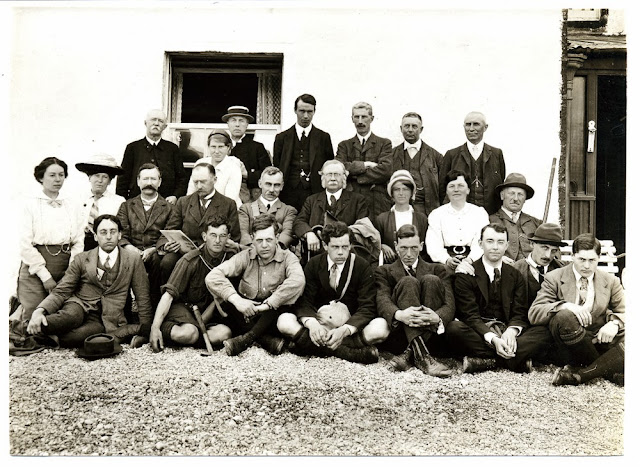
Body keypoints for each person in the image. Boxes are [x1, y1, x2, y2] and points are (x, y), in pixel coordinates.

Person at [26, 215, 152, 348]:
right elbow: (62, 290)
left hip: (105, 317)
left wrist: (144, 330)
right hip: (79, 304)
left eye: (113, 231)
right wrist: (40, 310)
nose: (108, 236)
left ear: (120, 235)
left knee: (75, 338)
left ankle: (46, 336)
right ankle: (21, 327)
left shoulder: (132, 259)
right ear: (96, 236)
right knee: (68, 317)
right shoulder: (82, 258)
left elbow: (142, 296)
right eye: (103, 232)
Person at [445, 223, 552, 374]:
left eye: (500, 242)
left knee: (543, 332)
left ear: (507, 245)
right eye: (490, 241)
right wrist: (494, 339)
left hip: (506, 330)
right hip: (479, 331)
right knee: (454, 329)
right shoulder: (467, 274)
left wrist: (512, 331)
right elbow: (470, 315)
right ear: (480, 244)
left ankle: (488, 361)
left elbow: (519, 312)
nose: (495, 247)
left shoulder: (515, 274)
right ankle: (515, 359)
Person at [277, 222, 387, 364]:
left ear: (350, 246)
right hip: (320, 325)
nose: (341, 252)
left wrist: (345, 330)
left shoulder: (362, 266)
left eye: (345, 247)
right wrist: (313, 325)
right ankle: (348, 352)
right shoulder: (314, 264)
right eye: (335, 247)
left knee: (381, 327)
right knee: (284, 321)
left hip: (349, 327)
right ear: (325, 246)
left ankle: (307, 346)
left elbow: (367, 306)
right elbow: (304, 300)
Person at [529, 234, 624, 386]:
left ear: (598, 258)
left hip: (599, 339)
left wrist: (614, 324)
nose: (586, 266)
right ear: (572, 256)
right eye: (581, 259)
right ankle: (609, 367)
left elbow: (626, 311)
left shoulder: (611, 281)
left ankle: (581, 375)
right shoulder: (554, 277)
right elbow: (534, 313)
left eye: (592, 260)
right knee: (564, 317)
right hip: (568, 342)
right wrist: (564, 305)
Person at [205, 214, 305, 356]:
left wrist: (267, 305)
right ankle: (265, 340)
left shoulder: (288, 258)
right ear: (252, 239)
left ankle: (247, 339)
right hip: (246, 314)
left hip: (271, 314)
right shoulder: (245, 256)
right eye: (259, 240)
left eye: (269, 240)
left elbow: (298, 280)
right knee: (228, 301)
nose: (264, 245)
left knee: (279, 302)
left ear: (277, 238)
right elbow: (213, 276)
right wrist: (238, 301)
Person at [375, 224, 455, 377]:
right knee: (408, 282)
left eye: (414, 248)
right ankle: (424, 357)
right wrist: (400, 315)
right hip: (400, 334)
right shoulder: (384, 271)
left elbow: (450, 304)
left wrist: (437, 317)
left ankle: (411, 354)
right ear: (396, 246)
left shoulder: (438, 269)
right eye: (404, 248)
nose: (409, 254)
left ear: (421, 246)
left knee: (431, 280)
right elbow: (382, 300)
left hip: (432, 332)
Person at [149, 217, 239, 352]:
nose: (217, 241)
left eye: (222, 236)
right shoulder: (190, 260)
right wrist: (155, 328)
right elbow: (168, 295)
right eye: (213, 235)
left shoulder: (232, 259)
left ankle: (191, 338)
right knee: (187, 332)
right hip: (183, 310)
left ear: (229, 238)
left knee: (224, 333)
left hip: (208, 314)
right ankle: (153, 334)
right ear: (204, 236)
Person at [18, 157, 84, 320]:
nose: (57, 180)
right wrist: (45, 276)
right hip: (35, 268)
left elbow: (78, 240)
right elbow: (25, 244)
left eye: (61, 175)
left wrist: (71, 271)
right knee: (33, 318)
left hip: (65, 267)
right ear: (41, 177)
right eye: (52, 175)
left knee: (62, 316)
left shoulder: (71, 204)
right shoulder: (30, 204)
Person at [158, 163, 240, 283]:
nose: (199, 186)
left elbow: (234, 236)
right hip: (184, 252)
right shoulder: (183, 202)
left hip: (214, 253)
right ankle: (170, 298)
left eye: (203, 182)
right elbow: (169, 230)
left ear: (215, 180)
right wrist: (167, 245)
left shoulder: (228, 204)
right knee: (167, 263)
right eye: (195, 182)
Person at [117, 163, 174, 307]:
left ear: (159, 182)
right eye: (145, 179)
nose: (149, 183)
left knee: (158, 260)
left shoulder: (169, 208)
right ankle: (125, 308)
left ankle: (153, 305)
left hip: (156, 253)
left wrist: (154, 248)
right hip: (130, 251)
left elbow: (168, 233)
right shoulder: (127, 206)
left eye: (153, 179)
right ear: (138, 181)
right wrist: (130, 248)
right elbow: (121, 232)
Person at [293, 159, 369, 256]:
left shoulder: (358, 200)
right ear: (323, 178)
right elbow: (299, 222)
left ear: (344, 178)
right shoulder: (312, 200)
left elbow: (363, 228)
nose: (333, 178)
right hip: (316, 256)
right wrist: (309, 233)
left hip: (346, 254)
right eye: (329, 174)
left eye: (337, 174)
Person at [273, 94, 334, 212]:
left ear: (314, 111)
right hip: (287, 192)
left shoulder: (323, 137)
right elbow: (277, 165)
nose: (306, 116)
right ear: (295, 110)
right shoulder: (282, 138)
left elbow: (329, 164)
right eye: (302, 111)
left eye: (309, 111)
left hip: (314, 191)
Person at [440, 111, 506, 215]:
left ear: (485, 127)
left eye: (476, 124)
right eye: (468, 124)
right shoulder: (452, 155)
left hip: (491, 214)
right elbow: (442, 187)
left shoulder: (496, 154)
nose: (471, 129)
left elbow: (500, 184)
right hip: (460, 214)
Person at [116, 109, 187, 203]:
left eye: (160, 121)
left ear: (165, 127)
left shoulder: (172, 149)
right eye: (153, 120)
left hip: (166, 204)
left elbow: (181, 178)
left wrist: (175, 196)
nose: (156, 123)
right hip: (137, 203)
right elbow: (123, 179)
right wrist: (124, 202)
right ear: (145, 123)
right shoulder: (133, 148)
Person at [335, 102, 393, 217]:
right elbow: (339, 168)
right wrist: (365, 164)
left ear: (371, 119)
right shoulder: (344, 145)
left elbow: (386, 170)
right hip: (350, 200)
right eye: (356, 117)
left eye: (364, 117)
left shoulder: (384, 143)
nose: (360, 121)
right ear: (352, 119)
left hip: (377, 201)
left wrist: (355, 175)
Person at [426, 170, 489, 273]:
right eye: (451, 186)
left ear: (468, 190)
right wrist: (446, 259)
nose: (456, 190)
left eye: (460, 186)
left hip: (474, 262)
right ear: (446, 190)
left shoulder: (479, 213)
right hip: (445, 264)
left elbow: (482, 241)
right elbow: (433, 243)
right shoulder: (437, 214)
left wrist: (470, 259)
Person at [390, 112, 443, 217]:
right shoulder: (391, 155)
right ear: (401, 129)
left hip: (427, 209)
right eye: (406, 126)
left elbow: (443, 186)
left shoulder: (435, 156)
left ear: (421, 129)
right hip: (399, 209)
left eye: (414, 126)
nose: (410, 130)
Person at [374, 170, 428, 264]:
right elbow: (375, 244)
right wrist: (382, 246)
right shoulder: (382, 219)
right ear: (392, 193)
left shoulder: (421, 219)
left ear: (412, 192)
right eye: (397, 189)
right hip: (390, 266)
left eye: (405, 189)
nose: (401, 193)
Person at [238, 166, 298, 248]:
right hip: (251, 253)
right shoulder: (246, 209)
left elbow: (287, 233)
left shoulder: (289, 211)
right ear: (260, 184)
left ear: (282, 186)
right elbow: (243, 233)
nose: (272, 190)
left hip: (278, 254)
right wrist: (254, 249)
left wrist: (272, 250)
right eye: (268, 184)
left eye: (276, 185)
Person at [76, 153, 126, 251]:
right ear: (89, 177)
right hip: (80, 244)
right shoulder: (78, 199)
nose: (100, 180)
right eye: (96, 176)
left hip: (106, 245)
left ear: (110, 181)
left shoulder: (118, 201)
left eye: (105, 177)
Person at [489, 173, 541, 263]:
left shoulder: (536, 223)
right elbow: (479, 249)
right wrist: (498, 259)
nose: (516, 198)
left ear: (525, 198)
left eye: (520, 194)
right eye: (511, 193)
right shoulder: (489, 221)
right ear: (502, 195)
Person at [223, 105, 271, 202]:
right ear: (228, 123)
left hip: (250, 198)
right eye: (233, 120)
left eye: (241, 121)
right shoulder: (220, 146)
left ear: (247, 124)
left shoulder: (257, 147)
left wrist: (247, 175)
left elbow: (268, 174)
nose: (237, 124)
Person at [512, 223, 567, 308]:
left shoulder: (562, 269)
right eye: (544, 248)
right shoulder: (515, 270)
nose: (548, 255)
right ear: (532, 244)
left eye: (554, 250)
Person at [187, 129, 245, 208]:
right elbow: (191, 192)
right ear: (208, 147)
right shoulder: (200, 163)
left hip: (227, 210)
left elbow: (230, 200)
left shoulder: (233, 167)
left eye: (221, 147)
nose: (217, 151)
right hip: (201, 209)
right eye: (213, 147)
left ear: (228, 147)